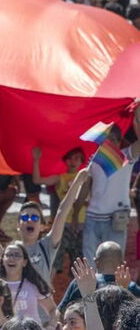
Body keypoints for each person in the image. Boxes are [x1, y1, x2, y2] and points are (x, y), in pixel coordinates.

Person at [81, 110, 140, 262]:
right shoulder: (93, 159)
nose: (110, 143)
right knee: (90, 265)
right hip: (92, 218)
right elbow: (86, 186)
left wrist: (136, 119)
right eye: (107, 139)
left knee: (114, 267)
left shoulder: (126, 157)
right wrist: (75, 211)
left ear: (120, 141)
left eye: (114, 139)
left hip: (116, 220)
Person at [56, 241, 140, 314]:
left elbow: (61, 312)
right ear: (122, 264)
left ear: (96, 262)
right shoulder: (130, 287)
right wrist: (123, 289)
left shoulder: (81, 282)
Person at [0, 241, 54, 323]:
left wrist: (51, 326)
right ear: (2, 260)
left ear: (24, 262)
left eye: (17, 255)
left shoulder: (34, 283)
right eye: (8, 255)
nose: (12, 258)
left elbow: (53, 310)